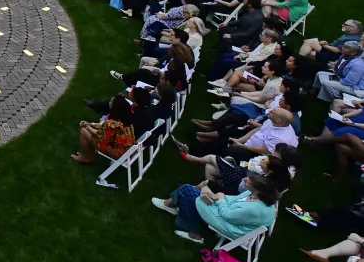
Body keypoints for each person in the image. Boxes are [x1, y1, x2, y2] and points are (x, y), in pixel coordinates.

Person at [151, 172, 279, 244]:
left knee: (196, 197)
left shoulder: (255, 208)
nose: (244, 180)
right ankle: (172, 205)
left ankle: (195, 233)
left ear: (257, 189)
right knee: (192, 191)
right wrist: (218, 197)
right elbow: (231, 200)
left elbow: (228, 215)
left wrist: (220, 199)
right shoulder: (253, 195)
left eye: (247, 182)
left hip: (228, 225)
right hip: (227, 215)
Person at [71, 93, 135, 164]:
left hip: (117, 153)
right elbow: (104, 127)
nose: (109, 103)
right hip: (126, 149)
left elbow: (99, 135)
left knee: (84, 131)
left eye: (111, 101)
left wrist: (87, 126)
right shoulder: (126, 117)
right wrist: (91, 124)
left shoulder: (113, 123)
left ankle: (84, 157)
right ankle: (89, 155)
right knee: (89, 130)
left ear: (115, 106)